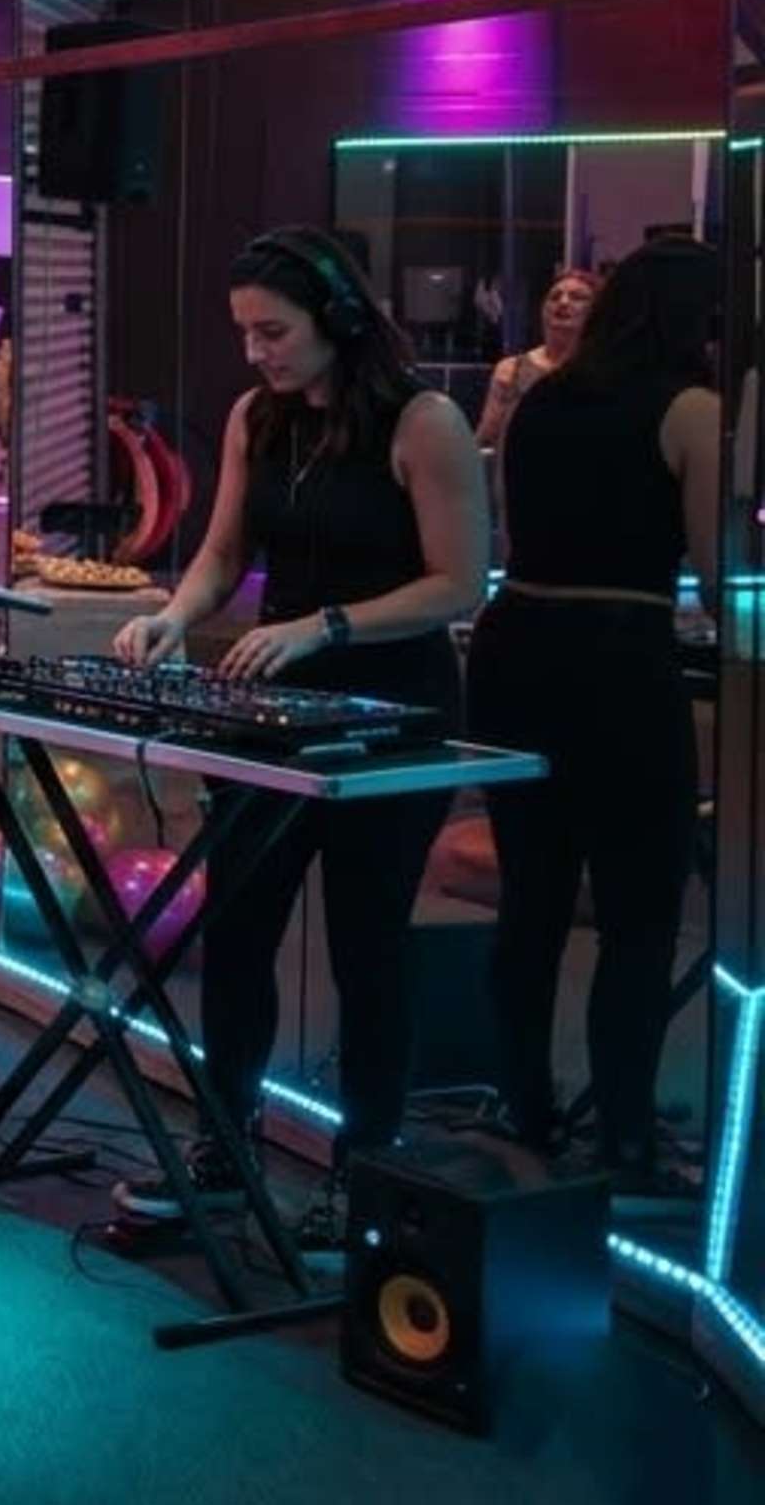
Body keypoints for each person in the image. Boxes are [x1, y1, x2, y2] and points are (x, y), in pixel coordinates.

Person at [111, 227, 488, 1248]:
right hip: (275, 703)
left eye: (273, 330)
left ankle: (365, 1164)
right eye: (244, 333)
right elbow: (226, 549)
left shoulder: (425, 421)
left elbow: (459, 581)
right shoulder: (255, 418)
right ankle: (224, 1143)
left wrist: (327, 624)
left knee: (369, 944)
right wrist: (176, 614)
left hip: (390, 707)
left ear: (337, 316)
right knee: (236, 927)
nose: (257, 352)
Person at [471, 236, 712, 1197]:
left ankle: (525, 1103)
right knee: (640, 912)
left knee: (532, 897)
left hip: (516, 643)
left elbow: (510, 522)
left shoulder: (538, 400)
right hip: (620, 656)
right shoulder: (694, 408)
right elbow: (713, 558)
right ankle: (623, 1134)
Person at [474, 265, 597, 456]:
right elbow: (486, 438)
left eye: (577, 297)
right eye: (554, 297)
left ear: (596, 311)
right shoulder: (511, 370)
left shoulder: (603, 369)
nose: (563, 302)